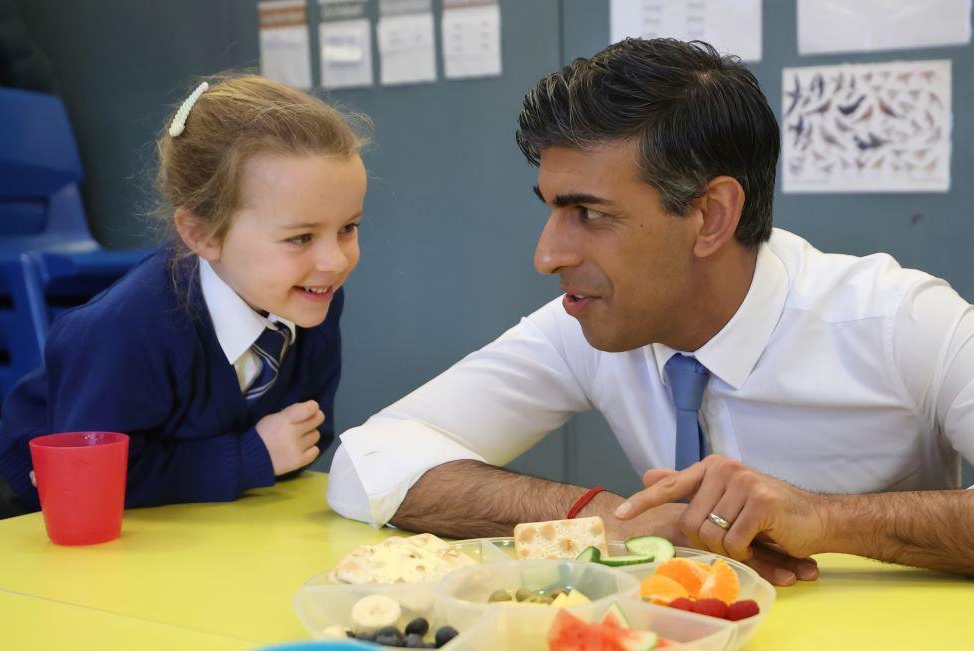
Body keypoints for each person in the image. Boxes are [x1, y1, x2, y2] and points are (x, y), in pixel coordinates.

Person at [327, 38, 974, 584]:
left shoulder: (900, 321)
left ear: (710, 216)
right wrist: (605, 514)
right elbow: (369, 459)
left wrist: (830, 520)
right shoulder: (583, 324)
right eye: (550, 208)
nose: (547, 254)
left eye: (590, 213)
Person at [0, 75, 367, 515]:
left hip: (192, 508)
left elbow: (304, 435)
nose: (334, 261)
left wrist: (263, 454)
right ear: (202, 233)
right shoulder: (128, 330)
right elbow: (92, 478)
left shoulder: (309, 296)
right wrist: (251, 456)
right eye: (301, 237)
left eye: (347, 228)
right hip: (37, 512)